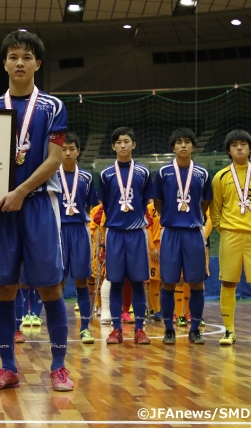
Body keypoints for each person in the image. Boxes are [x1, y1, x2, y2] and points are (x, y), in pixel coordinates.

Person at [0, 30, 71, 391]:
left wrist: (20, 190)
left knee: (50, 287)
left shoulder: (53, 106)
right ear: (4, 63)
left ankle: (59, 366)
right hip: (2, 209)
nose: (19, 62)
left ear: (37, 64)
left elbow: (55, 160)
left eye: (26, 57)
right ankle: (8, 366)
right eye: (13, 56)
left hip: (38, 205)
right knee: (2, 287)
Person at [152, 128, 211, 345]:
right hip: (171, 233)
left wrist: (194, 216)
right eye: (179, 142)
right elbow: (157, 201)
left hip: (194, 232)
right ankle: (169, 329)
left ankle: (195, 329)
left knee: (196, 283)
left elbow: (206, 202)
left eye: (187, 142)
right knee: (168, 282)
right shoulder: (163, 173)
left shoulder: (202, 173)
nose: (183, 145)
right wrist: (168, 216)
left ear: (193, 146)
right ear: (173, 147)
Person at [99, 127, 152, 345]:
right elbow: (105, 203)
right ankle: (116, 329)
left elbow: (146, 201)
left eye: (126, 141)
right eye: (118, 142)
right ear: (113, 146)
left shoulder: (144, 173)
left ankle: (140, 329)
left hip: (137, 234)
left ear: (133, 144)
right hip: (115, 234)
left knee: (138, 282)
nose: (122, 145)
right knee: (116, 283)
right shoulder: (105, 174)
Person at [211, 129, 251, 345]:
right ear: (229, 151)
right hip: (230, 236)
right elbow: (215, 211)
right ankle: (229, 331)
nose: (239, 148)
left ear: (250, 148)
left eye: (243, 144)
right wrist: (226, 230)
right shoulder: (221, 177)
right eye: (234, 145)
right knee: (228, 282)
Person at [56, 132, 98, 344]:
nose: (68, 153)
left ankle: (84, 327)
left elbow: (90, 206)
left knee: (82, 279)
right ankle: (60, 327)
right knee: (58, 281)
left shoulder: (87, 177)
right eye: (64, 149)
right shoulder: (52, 175)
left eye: (72, 148)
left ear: (78, 151)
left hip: (80, 230)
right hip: (59, 230)